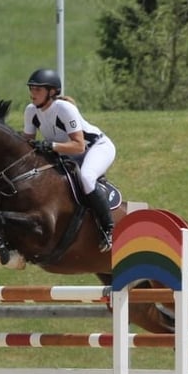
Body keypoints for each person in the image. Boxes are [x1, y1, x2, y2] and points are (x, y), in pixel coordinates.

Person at [24, 68, 117, 252]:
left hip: (96, 147)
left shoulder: (64, 109)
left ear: (51, 92)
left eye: (38, 89)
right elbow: (27, 142)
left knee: (87, 177)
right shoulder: (30, 111)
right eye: (32, 89)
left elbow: (79, 146)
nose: (33, 93)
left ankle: (108, 228)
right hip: (67, 153)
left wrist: (51, 146)